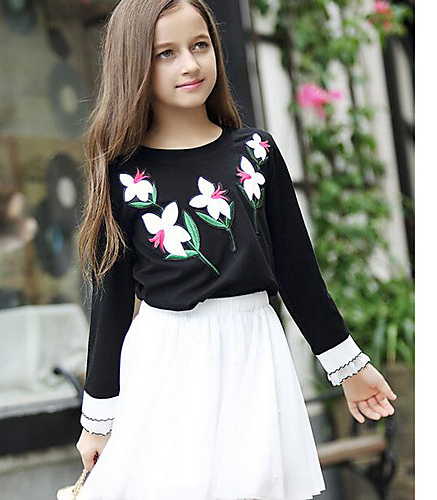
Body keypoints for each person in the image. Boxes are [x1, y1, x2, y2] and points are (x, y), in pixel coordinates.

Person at [75, 1, 397, 499]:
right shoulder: (123, 173)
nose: (190, 64)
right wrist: (98, 418)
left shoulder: (255, 153)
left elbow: (298, 272)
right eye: (165, 53)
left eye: (200, 45)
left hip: (254, 353)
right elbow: (111, 301)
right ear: (133, 63)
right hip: (167, 359)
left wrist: (349, 367)